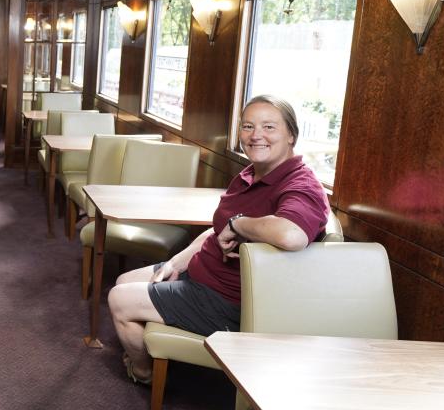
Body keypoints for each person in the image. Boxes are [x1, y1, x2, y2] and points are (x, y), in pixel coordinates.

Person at [107, 95, 329, 383]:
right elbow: (218, 229)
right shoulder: (251, 174)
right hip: (202, 276)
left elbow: (292, 235)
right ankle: (162, 350)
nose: (256, 135)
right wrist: (178, 261)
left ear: (292, 136)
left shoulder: (300, 185)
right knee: (124, 281)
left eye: (269, 127)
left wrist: (240, 224)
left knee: (118, 300)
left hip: (227, 301)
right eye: (248, 126)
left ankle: (143, 372)